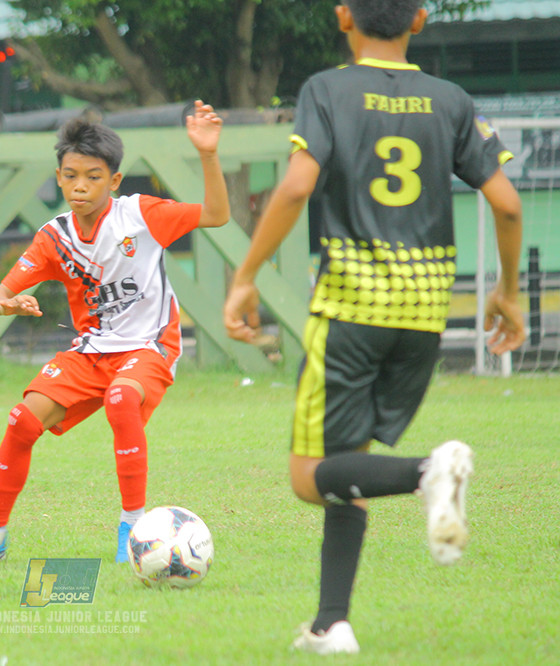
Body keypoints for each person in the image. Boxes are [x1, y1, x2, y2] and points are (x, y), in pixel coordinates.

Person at [222, 0, 525, 654]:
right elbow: (505, 201)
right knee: (351, 464)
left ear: (342, 18)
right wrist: (507, 291)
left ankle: (428, 472)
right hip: (423, 314)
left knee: (311, 476)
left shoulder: (327, 89)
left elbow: (299, 185)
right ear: (419, 20)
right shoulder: (450, 99)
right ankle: (333, 623)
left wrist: (246, 274)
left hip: (352, 309)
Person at [0, 100, 231, 565]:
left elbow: (216, 214)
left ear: (114, 180)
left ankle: (132, 529)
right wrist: (3, 301)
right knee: (21, 420)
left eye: (93, 176)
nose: (80, 186)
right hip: (92, 351)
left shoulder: (141, 215)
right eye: (70, 175)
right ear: (58, 177)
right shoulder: (55, 236)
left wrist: (208, 154)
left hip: (149, 345)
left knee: (121, 400)